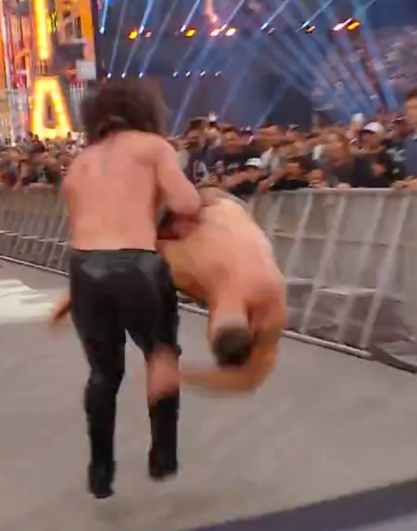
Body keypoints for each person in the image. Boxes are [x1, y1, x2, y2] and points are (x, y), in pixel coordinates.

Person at [53, 79, 202, 500]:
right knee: (161, 353)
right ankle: (163, 453)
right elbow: (186, 203)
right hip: (136, 263)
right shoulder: (152, 147)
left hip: (83, 266)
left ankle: (100, 470)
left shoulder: (82, 161)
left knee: (103, 373)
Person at [157, 187, 287, 393]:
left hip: (225, 210)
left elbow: (249, 380)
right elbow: (250, 380)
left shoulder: (185, 260)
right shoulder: (187, 262)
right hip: (223, 210)